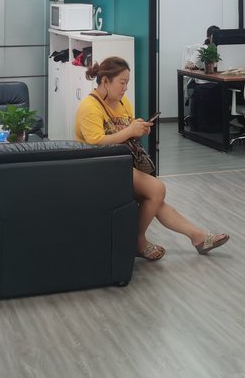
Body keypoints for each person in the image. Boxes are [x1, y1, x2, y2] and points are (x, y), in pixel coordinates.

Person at [74, 56, 230, 261]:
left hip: (118, 164)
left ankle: (198, 237)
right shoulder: (89, 107)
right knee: (156, 189)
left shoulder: (122, 102)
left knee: (155, 200)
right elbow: (96, 142)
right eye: (122, 82)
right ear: (105, 81)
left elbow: (124, 133)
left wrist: (137, 129)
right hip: (97, 167)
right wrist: (130, 130)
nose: (125, 88)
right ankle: (137, 240)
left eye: (127, 83)